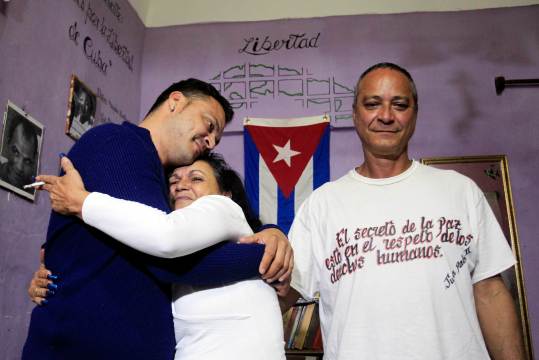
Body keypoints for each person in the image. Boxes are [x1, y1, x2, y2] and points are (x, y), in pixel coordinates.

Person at [22, 78, 292, 359]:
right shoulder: (118, 144)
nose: (211, 141)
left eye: (216, 139)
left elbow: (176, 242)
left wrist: (272, 234)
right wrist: (267, 259)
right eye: (209, 125)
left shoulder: (157, 183)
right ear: (175, 102)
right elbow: (168, 258)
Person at [281, 63, 523, 359]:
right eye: (372, 104)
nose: (385, 116)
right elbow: (282, 294)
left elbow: (490, 292)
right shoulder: (322, 205)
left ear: (415, 114)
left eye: (399, 105)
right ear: (356, 114)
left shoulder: (461, 191)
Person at [0, 119, 39, 190]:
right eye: (16, 152)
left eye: (27, 161)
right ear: (8, 144)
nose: (19, 167)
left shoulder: (32, 189)